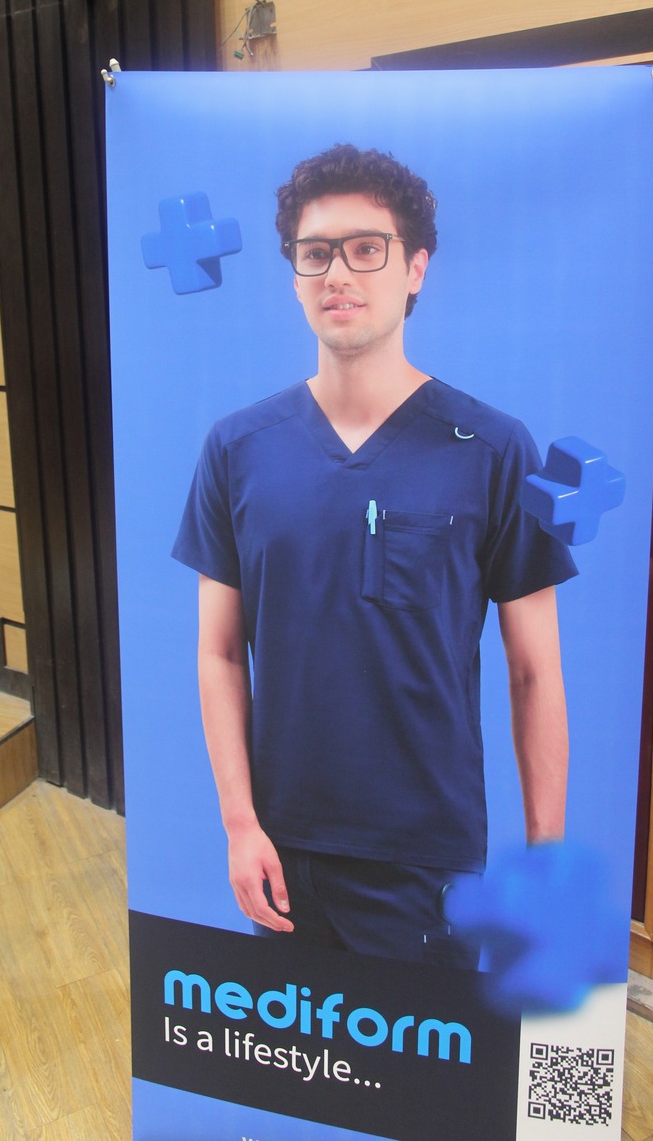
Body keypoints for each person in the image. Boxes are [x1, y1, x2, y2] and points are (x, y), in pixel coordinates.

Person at [173, 144, 576, 968]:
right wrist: (241, 824)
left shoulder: (493, 450)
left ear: (416, 267)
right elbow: (219, 653)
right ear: (294, 275)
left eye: (366, 249)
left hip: (428, 862)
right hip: (282, 850)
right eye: (315, 253)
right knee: (302, 1050)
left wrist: (545, 861)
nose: (337, 274)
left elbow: (535, 672)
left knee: (429, 1054)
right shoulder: (237, 450)